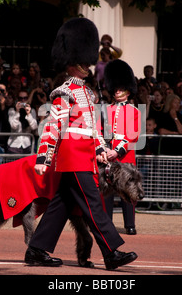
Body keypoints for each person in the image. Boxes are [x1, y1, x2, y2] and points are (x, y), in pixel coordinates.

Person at [25, 18, 138, 270]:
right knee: (92, 203)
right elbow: (53, 126)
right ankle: (111, 252)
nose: (88, 64)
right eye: (83, 60)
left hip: (84, 155)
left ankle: (35, 250)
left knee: (61, 205)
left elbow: (93, 128)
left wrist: (101, 151)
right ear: (71, 63)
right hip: (72, 155)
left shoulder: (87, 93)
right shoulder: (63, 92)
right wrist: (43, 158)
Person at [100, 59, 141, 235]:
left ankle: (130, 224)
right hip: (108, 155)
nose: (117, 91)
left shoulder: (134, 111)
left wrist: (117, 151)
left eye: (120, 88)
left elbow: (132, 135)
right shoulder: (105, 110)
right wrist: (104, 150)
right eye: (115, 88)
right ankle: (107, 224)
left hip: (125, 156)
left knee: (128, 190)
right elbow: (99, 132)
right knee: (107, 191)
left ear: (128, 90)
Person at [7, 89, 37, 154]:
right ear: (17, 100)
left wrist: (28, 114)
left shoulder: (32, 111)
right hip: (14, 146)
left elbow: (34, 127)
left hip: (27, 145)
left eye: (25, 98)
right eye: (21, 98)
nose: (23, 100)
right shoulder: (12, 110)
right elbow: (13, 126)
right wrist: (17, 112)